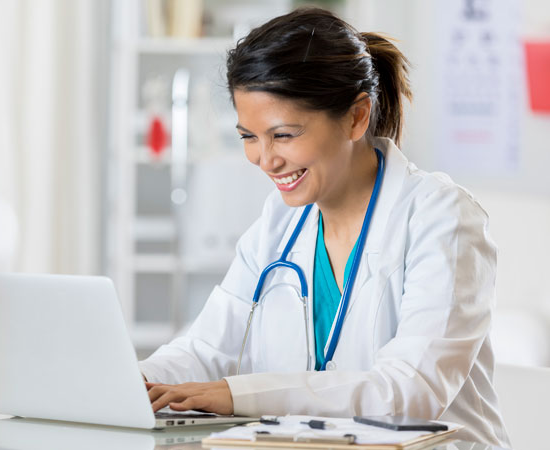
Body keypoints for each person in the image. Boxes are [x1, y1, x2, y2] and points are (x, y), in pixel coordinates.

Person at [138, 7, 510, 447]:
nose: (264, 159)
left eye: (283, 135)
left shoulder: (441, 218)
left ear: (356, 116)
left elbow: (410, 393)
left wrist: (238, 394)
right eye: (248, 137)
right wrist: (131, 382)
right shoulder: (279, 223)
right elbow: (206, 348)